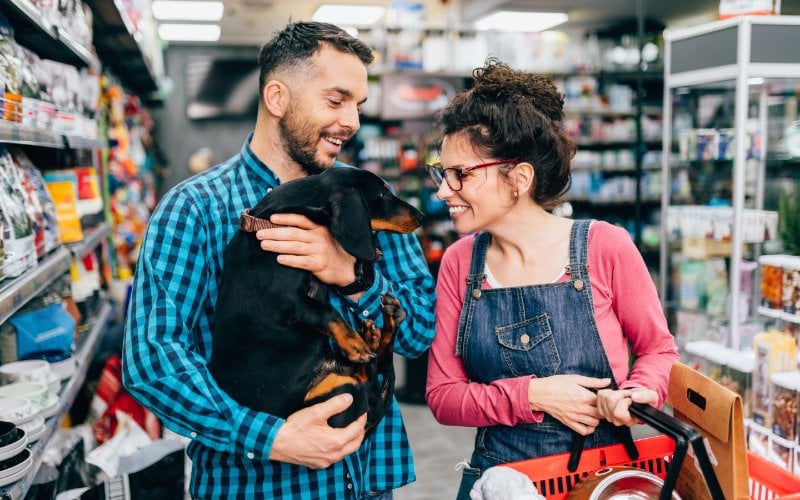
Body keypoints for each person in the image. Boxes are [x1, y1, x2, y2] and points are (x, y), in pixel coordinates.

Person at [122, 21, 436, 499]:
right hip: (255, 485)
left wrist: (353, 277)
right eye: (336, 100)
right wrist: (270, 437)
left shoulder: (368, 198)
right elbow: (153, 361)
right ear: (277, 97)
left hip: (365, 482)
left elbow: (418, 334)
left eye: (358, 104)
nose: (351, 121)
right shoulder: (196, 208)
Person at [423, 58, 679, 499]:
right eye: (441, 173)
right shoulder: (459, 262)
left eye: (459, 174)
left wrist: (638, 394)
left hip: (599, 480)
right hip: (495, 482)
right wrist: (533, 395)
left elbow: (659, 350)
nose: (443, 190)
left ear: (518, 178)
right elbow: (443, 395)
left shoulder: (605, 247)